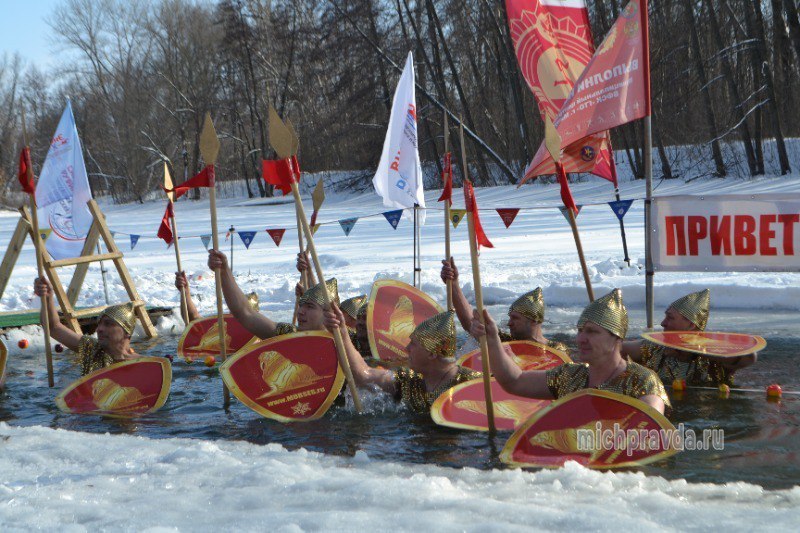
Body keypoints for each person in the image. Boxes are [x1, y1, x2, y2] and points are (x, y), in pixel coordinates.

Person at [469, 289, 670, 415]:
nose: (581, 339)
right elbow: (515, 381)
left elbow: (649, 429)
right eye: (580, 331)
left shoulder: (643, 381)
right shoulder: (570, 376)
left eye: (592, 332)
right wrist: (493, 339)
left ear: (617, 339)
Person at [324, 306, 481, 414]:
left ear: (432, 354)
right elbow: (364, 376)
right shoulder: (411, 381)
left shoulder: (474, 385)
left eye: (413, 344)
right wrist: (342, 333)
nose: (406, 349)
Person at [622, 289, 755, 387]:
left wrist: (692, 348)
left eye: (670, 317)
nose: (663, 323)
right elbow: (614, 348)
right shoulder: (654, 348)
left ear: (691, 324)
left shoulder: (714, 359)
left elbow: (749, 356)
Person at [440, 258, 567, 353]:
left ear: (534, 320)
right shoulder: (505, 343)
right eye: (510, 317)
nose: (509, 323)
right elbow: (471, 323)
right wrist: (454, 284)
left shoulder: (556, 350)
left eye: (515, 318)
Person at [207, 249, 335, 339]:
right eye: (301, 305)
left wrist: (308, 273)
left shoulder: (347, 342)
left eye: (309, 307)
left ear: (329, 313)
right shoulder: (288, 335)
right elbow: (245, 313)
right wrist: (224, 271)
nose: (300, 311)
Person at [33, 277, 140, 375]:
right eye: (99, 324)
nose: (99, 329)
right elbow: (53, 327)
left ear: (127, 332)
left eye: (108, 324)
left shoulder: (142, 365)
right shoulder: (92, 350)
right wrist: (48, 299)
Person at [174, 271, 259, 323]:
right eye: (235, 311)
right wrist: (185, 293)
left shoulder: (262, 336)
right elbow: (194, 320)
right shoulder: (223, 328)